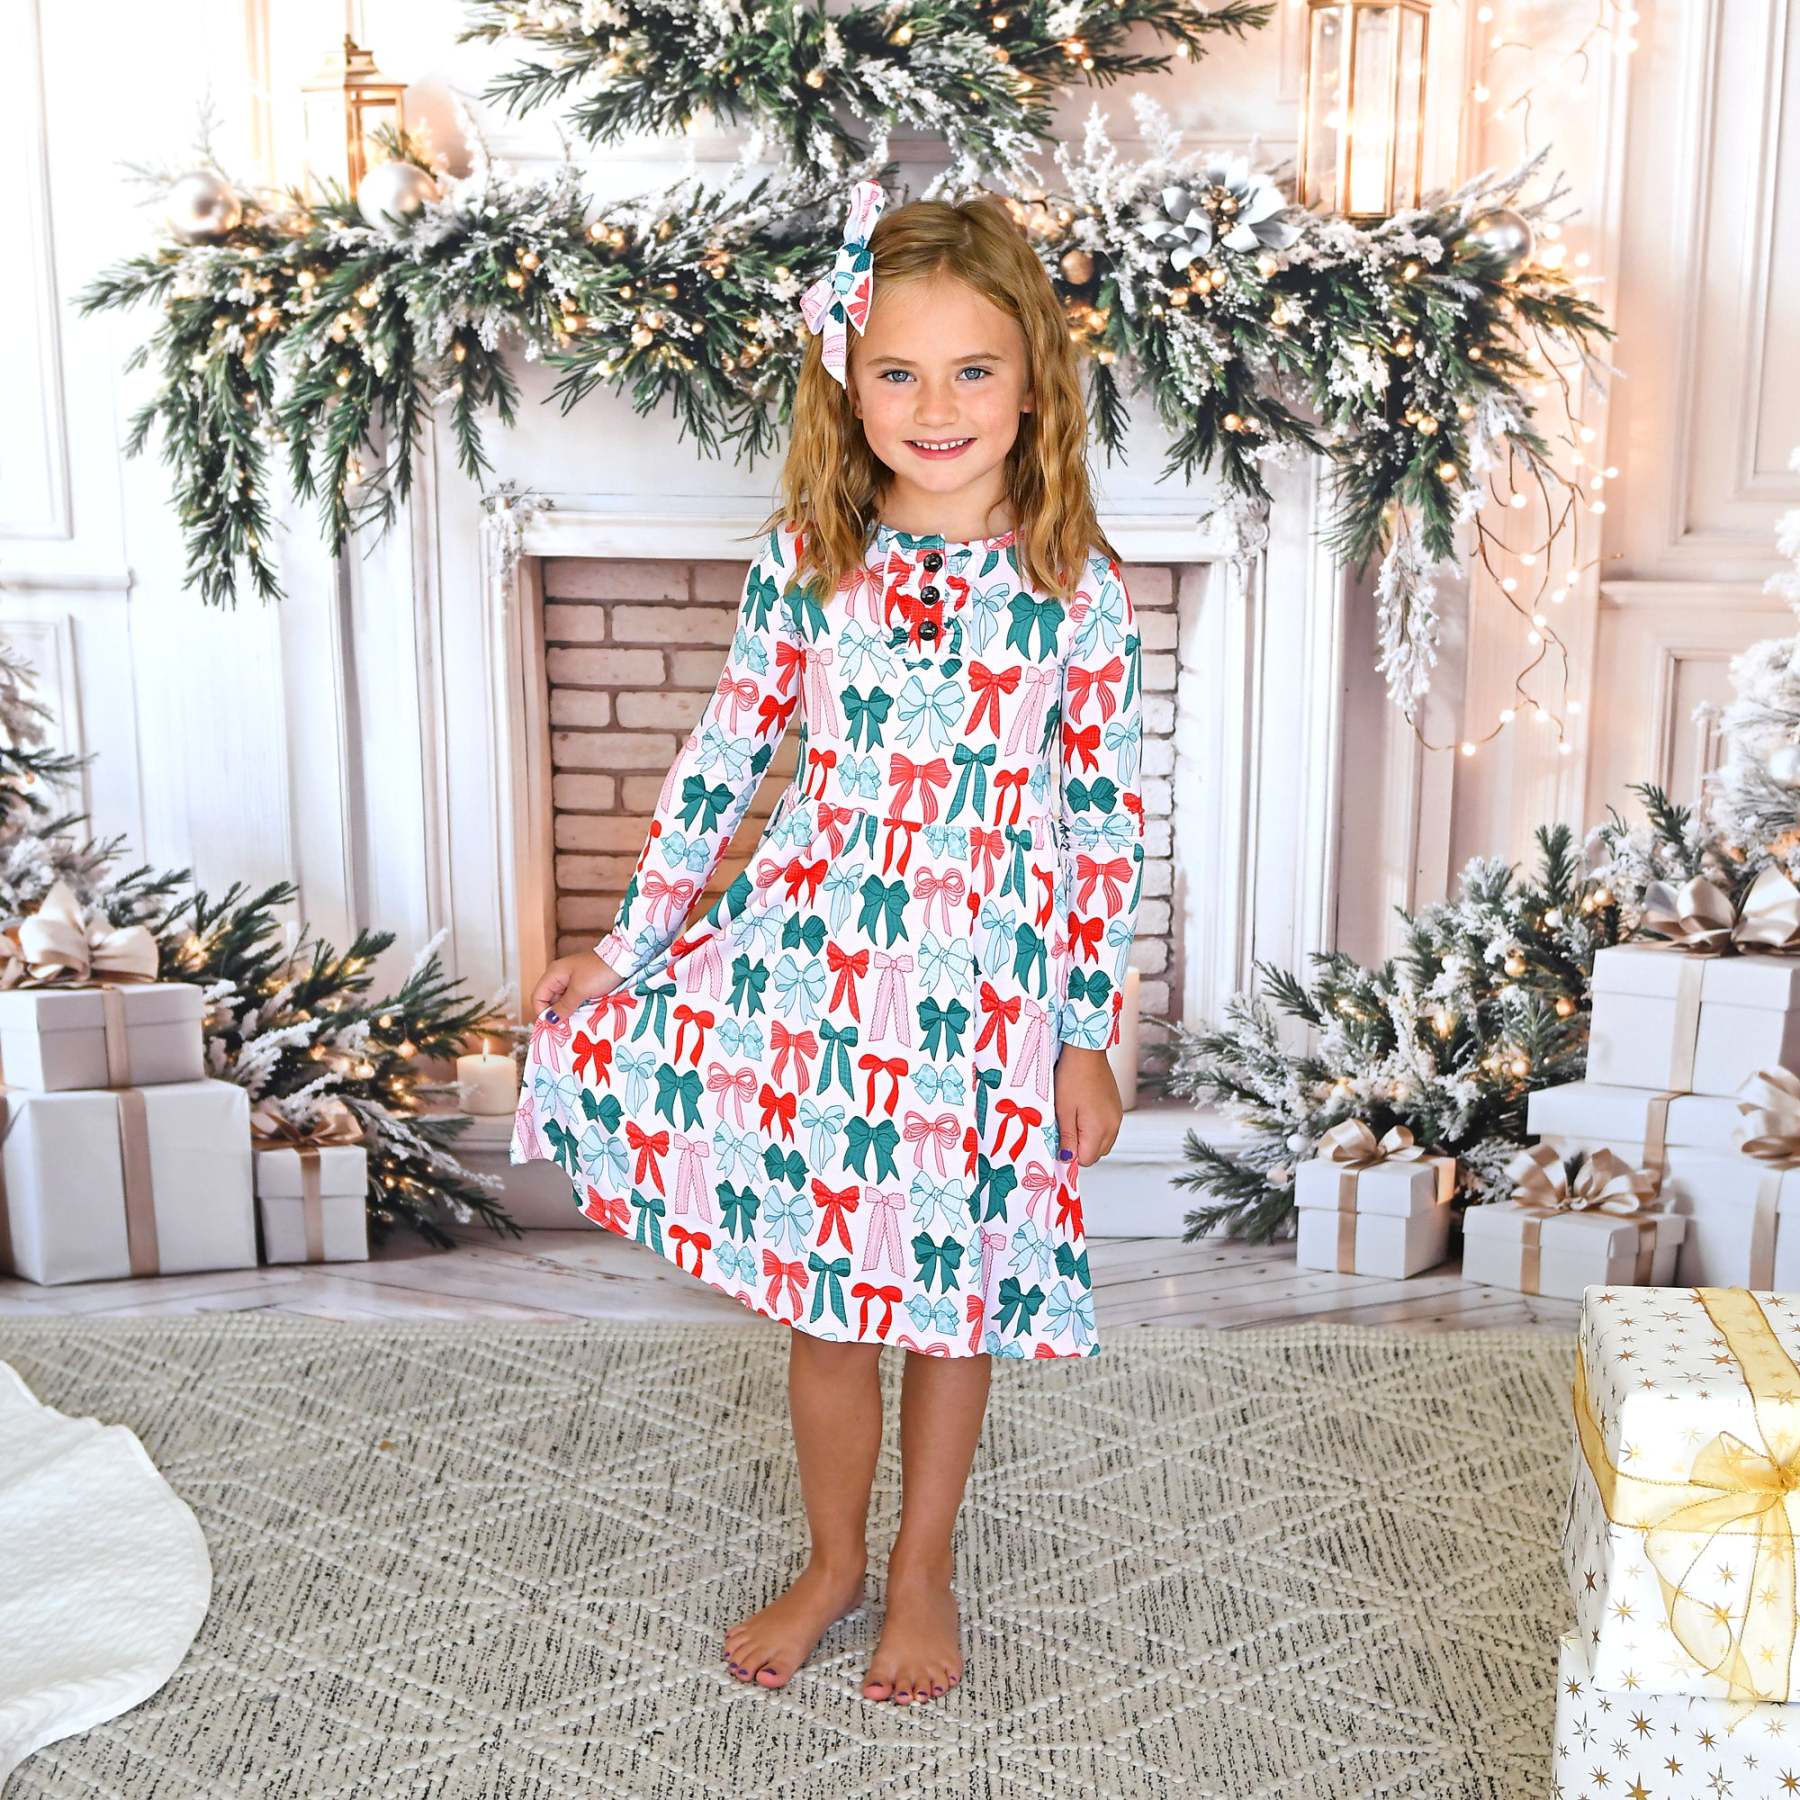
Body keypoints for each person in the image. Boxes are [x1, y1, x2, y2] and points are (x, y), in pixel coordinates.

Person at [512, 180, 1144, 1707]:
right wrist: (627, 947)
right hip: (818, 984)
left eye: (973, 370)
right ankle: (835, 1558)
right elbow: (725, 759)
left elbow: (1105, 828)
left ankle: (923, 1565)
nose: (937, 408)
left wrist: (1085, 1034)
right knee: (828, 1306)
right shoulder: (811, 559)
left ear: (1032, 381)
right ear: (849, 384)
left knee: (950, 1307)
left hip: (985, 1002)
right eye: (898, 372)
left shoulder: (1075, 590)